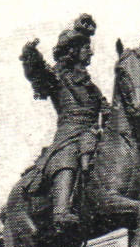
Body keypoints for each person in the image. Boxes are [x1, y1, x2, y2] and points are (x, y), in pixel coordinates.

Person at [20, 14, 104, 230]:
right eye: (86, 47)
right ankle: (61, 211)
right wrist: (31, 55)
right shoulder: (58, 77)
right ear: (73, 51)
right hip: (69, 135)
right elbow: (38, 73)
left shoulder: (92, 88)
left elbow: (107, 110)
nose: (91, 52)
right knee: (68, 156)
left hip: (93, 134)